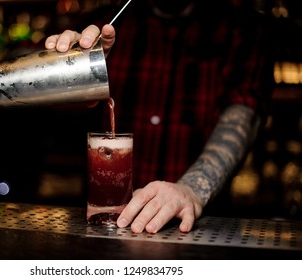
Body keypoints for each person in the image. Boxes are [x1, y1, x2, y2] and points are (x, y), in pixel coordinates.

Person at [45, 0, 275, 233]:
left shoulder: (243, 30)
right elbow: (54, 121)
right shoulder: (101, 27)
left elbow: (243, 117)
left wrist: (192, 190)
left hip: (197, 229)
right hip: (105, 227)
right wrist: (65, 72)